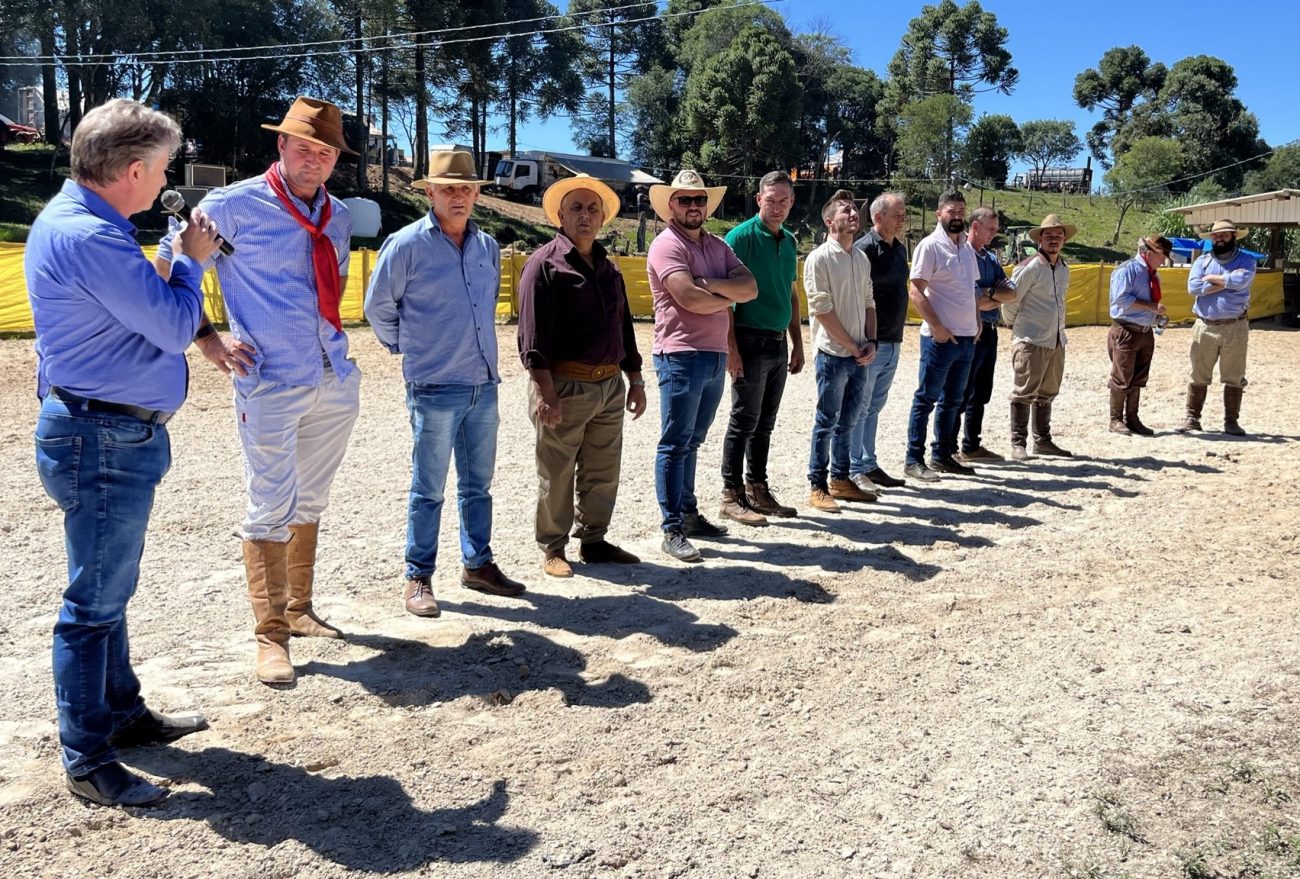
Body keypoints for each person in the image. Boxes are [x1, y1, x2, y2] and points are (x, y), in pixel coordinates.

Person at [28, 99, 219, 806]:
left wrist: (168, 260)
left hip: (98, 429)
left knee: (110, 585)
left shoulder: (74, 220)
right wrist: (190, 264)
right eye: (163, 168)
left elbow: (131, 308)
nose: (165, 180)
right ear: (133, 169)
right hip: (105, 435)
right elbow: (171, 325)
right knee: (92, 603)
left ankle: (121, 709)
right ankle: (88, 757)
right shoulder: (94, 239)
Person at [155, 96, 360, 686]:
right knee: (269, 501)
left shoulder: (338, 216)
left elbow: (332, 286)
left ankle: (299, 610)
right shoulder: (231, 206)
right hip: (268, 378)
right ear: (281, 146)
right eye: (304, 147)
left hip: (332, 375)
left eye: (325, 151)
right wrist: (208, 340)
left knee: (310, 500)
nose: (314, 159)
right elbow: (170, 262)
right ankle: (269, 636)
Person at [365, 149, 525, 615]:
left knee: (479, 485)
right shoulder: (406, 244)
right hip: (433, 385)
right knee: (428, 487)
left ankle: (477, 563)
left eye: (466, 188)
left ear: (477, 193)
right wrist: (409, 348)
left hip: (483, 384)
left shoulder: (487, 247)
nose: (458, 196)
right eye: (448, 188)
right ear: (429, 192)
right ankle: (418, 576)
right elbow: (378, 308)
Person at [516, 174, 646, 577]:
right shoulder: (544, 265)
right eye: (576, 207)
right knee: (556, 470)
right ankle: (553, 547)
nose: (585, 215)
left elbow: (623, 326)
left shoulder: (609, 269)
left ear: (603, 218)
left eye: (593, 209)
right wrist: (545, 393)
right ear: (560, 215)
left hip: (609, 384)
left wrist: (635, 378)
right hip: (564, 384)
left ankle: (594, 539)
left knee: (603, 468)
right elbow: (532, 338)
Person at [646, 169, 758, 562]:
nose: (693, 206)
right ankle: (672, 525)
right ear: (670, 206)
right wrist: (726, 294)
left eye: (698, 199)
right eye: (685, 200)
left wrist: (708, 286)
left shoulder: (714, 245)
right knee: (676, 443)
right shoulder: (666, 245)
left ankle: (686, 516)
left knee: (689, 441)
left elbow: (751, 288)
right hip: (680, 354)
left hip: (710, 354)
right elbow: (686, 298)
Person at [719, 171, 805, 526]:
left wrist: (798, 341)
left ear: (792, 202)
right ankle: (730, 492)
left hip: (777, 341)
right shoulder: (739, 238)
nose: (778, 207)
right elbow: (725, 298)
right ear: (759, 200)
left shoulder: (789, 241)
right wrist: (732, 349)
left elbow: (791, 294)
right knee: (743, 419)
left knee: (765, 423)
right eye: (771, 200)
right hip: (749, 337)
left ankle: (757, 487)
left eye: (784, 201)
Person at [803, 191, 877, 513]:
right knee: (826, 420)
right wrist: (854, 346)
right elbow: (822, 312)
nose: (853, 213)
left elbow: (869, 303)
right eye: (846, 210)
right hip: (833, 354)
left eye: (854, 210)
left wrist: (870, 342)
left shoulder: (860, 258)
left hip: (858, 353)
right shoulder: (818, 259)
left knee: (847, 420)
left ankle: (841, 479)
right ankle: (817, 485)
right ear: (829, 220)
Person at [903, 190, 980, 482]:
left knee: (953, 401)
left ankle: (942, 455)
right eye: (951, 211)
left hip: (965, 337)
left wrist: (976, 322)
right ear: (939, 214)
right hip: (940, 340)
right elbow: (915, 290)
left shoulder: (966, 248)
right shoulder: (929, 246)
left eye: (961, 210)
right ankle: (913, 459)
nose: (957, 215)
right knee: (926, 399)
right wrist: (937, 327)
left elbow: (971, 289)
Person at [850, 192, 910, 492]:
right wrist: (867, 339)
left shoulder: (899, 249)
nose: (902, 218)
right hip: (871, 341)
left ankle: (868, 462)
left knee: (874, 406)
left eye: (903, 212)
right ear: (877, 217)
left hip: (894, 339)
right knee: (859, 407)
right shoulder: (863, 250)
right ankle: (854, 467)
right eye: (897, 213)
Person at [1004, 214, 1076, 460]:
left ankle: (1042, 441)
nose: (1054, 239)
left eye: (1058, 236)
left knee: (1047, 391)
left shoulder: (1064, 268)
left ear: (1064, 239)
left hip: (1055, 339)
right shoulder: (1030, 267)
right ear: (1040, 239)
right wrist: (1016, 327)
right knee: (1024, 391)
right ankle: (1018, 443)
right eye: (1049, 235)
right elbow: (1010, 301)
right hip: (1031, 339)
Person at [1180, 219, 1257, 436]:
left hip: (1235, 326)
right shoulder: (1202, 261)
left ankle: (1231, 421)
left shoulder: (1247, 260)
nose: (1219, 238)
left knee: (1234, 375)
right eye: (1215, 235)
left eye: (1224, 235)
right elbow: (1193, 287)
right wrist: (1226, 282)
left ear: (1233, 235)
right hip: (1205, 325)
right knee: (1198, 373)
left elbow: (1242, 281)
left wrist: (1213, 279)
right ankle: (1192, 418)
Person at [954, 207, 1016, 462]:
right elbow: (972, 297)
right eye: (991, 229)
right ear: (975, 226)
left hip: (989, 332)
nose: (994, 233)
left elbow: (1011, 291)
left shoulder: (990, 258)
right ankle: (948, 448)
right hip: (970, 331)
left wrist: (987, 295)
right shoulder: (961, 256)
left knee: (981, 392)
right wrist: (993, 295)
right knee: (960, 392)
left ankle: (970, 445)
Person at [1107, 235, 1172, 435]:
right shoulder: (1127, 270)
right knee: (1122, 376)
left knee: (1138, 376)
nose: (1164, 260)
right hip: (1126, 329)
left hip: (1144, 330)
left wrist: (1156, 317)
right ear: (1148, 252)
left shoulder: (1152, 274)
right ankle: (1115, 419)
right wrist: (1152, 307)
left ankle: (1132, 418)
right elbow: (1121, 298)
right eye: (1162, 255)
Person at [635, 185, 649, 252]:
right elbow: (646, 198)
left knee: (640, 213)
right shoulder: (641, 194)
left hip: (639, 205)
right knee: (642, 213)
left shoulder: (638, 194)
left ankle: (640, 217)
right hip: (641, 205)